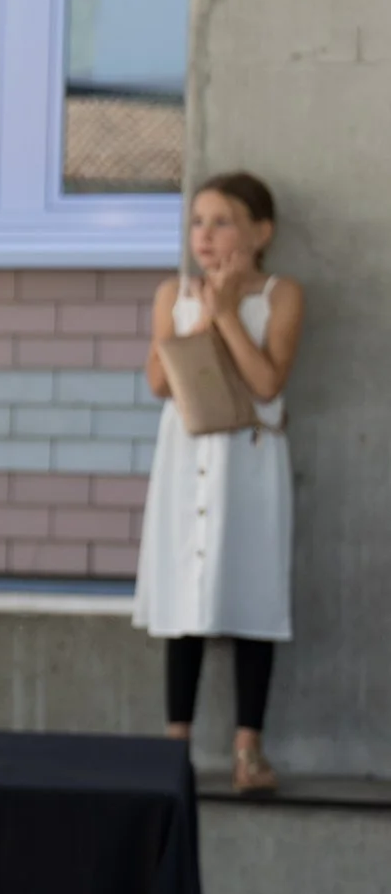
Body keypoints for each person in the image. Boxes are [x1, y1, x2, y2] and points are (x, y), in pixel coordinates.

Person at [136, 172, 300, 795]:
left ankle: (247, 749)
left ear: (262, 231)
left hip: (250, 457)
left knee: (253, 593)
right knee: (184, 598)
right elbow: (159, 381)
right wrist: (200, 319)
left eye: (222, 220)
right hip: (187, 455)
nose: (206, 235)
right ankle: (175, 744)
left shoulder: (282, 295)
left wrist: (228, 314)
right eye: (197, 221)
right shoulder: (172, 294)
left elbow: (266, 383)